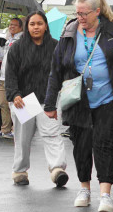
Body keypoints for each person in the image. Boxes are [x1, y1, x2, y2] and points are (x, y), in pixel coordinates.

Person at [44, 0, 113, 212]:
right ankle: (84, 188)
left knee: (105, 144)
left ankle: (106, 194)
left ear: (96, 11)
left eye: (84, 13)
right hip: (78, 100)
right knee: (81, 146)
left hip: (107, 99)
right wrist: (49, 103)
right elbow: (56, 69)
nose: (80, 17)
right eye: (77, 13)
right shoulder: (68, 32)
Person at [6, 11, 68, 187]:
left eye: (39, 23)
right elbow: (10, 75)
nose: (36, 27)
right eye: (32, 24)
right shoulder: (17, 48)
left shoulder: (56, 47)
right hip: (25, 100)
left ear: (46, 25)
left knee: (52, 135)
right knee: (23, 139)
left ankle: (57, 170)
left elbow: (63, 71)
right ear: (27, 27)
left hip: (49, 100)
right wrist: (15, 94)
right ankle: (20, 171)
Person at [0, 17, 23, 139]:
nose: (11, 27)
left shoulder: (21, 40)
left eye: (14, 25)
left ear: (20, 27)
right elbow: (3, 56)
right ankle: (5, 130)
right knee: (3, 104)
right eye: (10, 25)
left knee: (15, 105)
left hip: (14, 78)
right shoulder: (9, 40)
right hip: (3, 77)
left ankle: (18, 130)